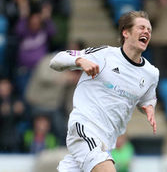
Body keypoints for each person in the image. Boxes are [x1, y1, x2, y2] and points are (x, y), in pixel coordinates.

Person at [50, 11, 159, 172]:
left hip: (106, 142)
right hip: (85, 128)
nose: (146, 32)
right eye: (141, 27)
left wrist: (149, 107)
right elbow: (56, 60)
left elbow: (147, 99)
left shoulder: (151, 73)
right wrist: (80, 61)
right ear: (126, 32)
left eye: (149, 30)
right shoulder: (105, 55)